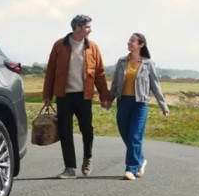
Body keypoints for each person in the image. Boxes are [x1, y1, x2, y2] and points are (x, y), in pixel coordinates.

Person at [41, 14, 111, 178]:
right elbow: (50, 71)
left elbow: (100, 74)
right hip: (64, 96)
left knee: (87, 129)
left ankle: (87, 158)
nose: (90, 29)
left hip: (84, 96)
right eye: (87, 27)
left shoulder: (92, 47)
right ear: (77, 27)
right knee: (65, 131)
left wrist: (104, 97)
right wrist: (47, 95)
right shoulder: (59, 45)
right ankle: (70, 167)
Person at [109, 32, 169, 180]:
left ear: (140, 45)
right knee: (126, 134)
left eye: (132, 41)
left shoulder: (148, 63)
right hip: (123, 102)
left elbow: (155, 85)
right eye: (129, 41)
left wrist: (164, 106)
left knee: (135, 136)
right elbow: (115, 83)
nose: (129, 43)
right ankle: (140, 160)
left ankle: (131, 169)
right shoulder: (122, 61)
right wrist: (109, 100)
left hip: (140, 104)